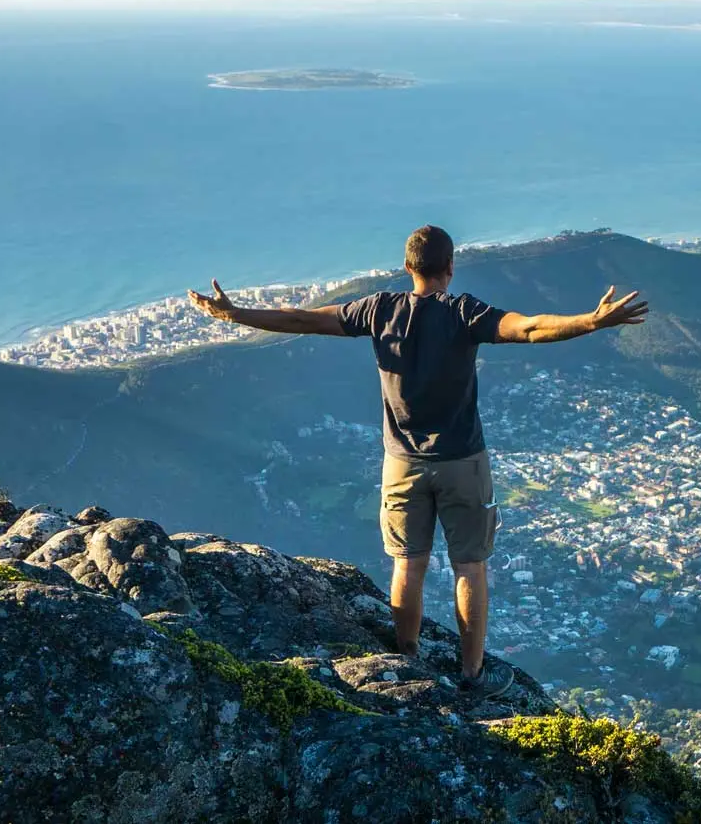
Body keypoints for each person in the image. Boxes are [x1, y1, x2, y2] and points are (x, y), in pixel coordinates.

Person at [188, 225, 648, 697]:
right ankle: (472, 675)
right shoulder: (465, 312)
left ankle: (405, 658)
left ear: (408, 267)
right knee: (470, 566)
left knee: (408, 563)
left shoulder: (379, 309)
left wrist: (236, 314)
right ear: (450, 268)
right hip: (463, 462)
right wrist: (591, 321)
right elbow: (529, 327)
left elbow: (302, 319)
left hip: (402, 462)